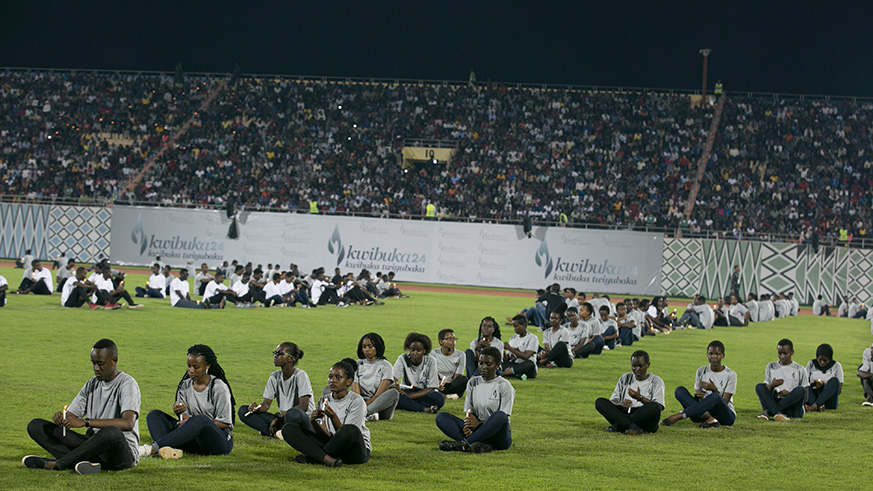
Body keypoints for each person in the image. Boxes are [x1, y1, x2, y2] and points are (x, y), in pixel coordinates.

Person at [23, 339, 141, 475]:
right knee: (36, 426)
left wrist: (85, 422)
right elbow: (72, 416)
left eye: (100, 364)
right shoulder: (92, 384)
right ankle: (85, 463)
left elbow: (128, 423)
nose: (96, 368)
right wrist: (63, 418)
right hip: (93, 446)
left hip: (120, 452)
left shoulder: (127, 384)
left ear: (114, 360)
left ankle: (58, 464)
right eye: (93, 363)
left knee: (111, 432)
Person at [141, 344, 235, 459]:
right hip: (193, 439)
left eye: (196, 367)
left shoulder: (219, 387)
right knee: (154, 415)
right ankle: (167, 450)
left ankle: (152, 449)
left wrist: (193, 422)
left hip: (217, 441)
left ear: (207, 366)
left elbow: (225, 422)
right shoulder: (184, 385)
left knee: (201, 420)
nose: (191, 371)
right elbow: (184, 419)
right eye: (188, 366)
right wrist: (180, 413)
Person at [282, 358, 371, 466]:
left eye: (338, 378)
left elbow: (347, 435)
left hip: (354, 450)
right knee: (289, 428)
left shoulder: (356, 401)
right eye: (330, 377)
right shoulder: (324, 400)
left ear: (349, 381)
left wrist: (333, 417)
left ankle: (314, 456)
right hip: (332, 444)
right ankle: (326, 459)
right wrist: (313, 422)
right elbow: (324, 436)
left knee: (350, 429)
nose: (332, 381)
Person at [436, 347, 515, 453]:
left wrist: (478, 424)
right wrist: (468, 426)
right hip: (476, 429)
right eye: (481, 363)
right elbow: (470, 411)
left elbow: (503, 418)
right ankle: (479, 444)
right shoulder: (473, 382)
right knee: (441, 417)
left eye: (488, 364)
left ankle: (465, 444)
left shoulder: (504, 385)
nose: (483, 367)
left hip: (498, 434)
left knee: (500, 415)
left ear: (497, 366)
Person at [238, 343, 314, 437]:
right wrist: (256, 408)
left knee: (294, 415)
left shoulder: (300, 375)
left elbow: (303, 406)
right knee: (243, 411)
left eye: (280, 354)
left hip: (300, 419)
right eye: (275, 353)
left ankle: (275, 432)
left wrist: (280, 417)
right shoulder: (274, 376)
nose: (275, 356)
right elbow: (266, 404)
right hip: (283, 418)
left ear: (290, 359)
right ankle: (279, 433)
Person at [661, 341, 737, 428]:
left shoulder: (730, 374)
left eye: (717, 354)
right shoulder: (701, 371)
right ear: (707, 354)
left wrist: (714, 389)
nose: (713, 357)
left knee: (715, 396)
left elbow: (724, 402)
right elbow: (697, 397)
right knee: (679, 390)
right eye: (710, 354)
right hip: (702, 412)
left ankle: (679, 415)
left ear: (723, 356)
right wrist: (697, 396)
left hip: (725, 416)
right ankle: (710, 418)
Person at [594, 350, 665, 435]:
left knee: (653, 406)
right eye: (634, 366)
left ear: (648, 365)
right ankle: (632, 426)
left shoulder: (656, 381)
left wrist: (640, 398)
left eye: (640, 366)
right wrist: (621, 404)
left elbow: (659, 407)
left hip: (645, 417)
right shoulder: (625, 378)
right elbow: (613, 400)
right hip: (626, 412)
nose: (637, 369)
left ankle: (620, 425)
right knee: (600, 402)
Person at [755, 338, 808, 421]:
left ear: (792, 352)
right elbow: (766, 393)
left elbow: (805, 397)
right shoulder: (771, 366)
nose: (782, 356)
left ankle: (769, 412)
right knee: (759, 387)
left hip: (792, 407)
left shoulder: (800, 369)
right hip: (775, 400)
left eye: (785, 353)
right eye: (779, 353)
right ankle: (778, 413)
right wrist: (772, 385)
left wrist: (790, 395)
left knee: (800, 390)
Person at [351, 333, 400, 421]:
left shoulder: (386, 366)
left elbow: (378, 395)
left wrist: (362, 408)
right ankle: (366, 416)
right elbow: (356, 395)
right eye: (364, 347)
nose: (366, 350)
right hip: (360, 402)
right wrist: (359, 404)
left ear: (377, 347)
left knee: (394, 393)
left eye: (370, 346)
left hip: (379, 405)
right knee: (329, 389)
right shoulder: (357, 365)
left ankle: (361, 414)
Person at [393, 332, 444, 413]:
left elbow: (431, 387)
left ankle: (408, 404)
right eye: (412, 350)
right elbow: (393, 378)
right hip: (406, 391)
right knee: (394, 395)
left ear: (424, 350)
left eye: (419, 350)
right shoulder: (402, 358)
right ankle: (424, 409)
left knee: (439, 398)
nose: (415, 353)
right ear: (409, 349)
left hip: (423, 392)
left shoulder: (431, 360)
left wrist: (409, 397)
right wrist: (396, 385)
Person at [804, 344, 843, 412]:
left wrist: (825, 385)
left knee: (834, 381)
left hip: (828, 398)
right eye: (820, 360)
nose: (822, 363)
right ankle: (819, 406)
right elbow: (804, 382)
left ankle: (815, 406)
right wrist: (813, 384)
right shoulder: (811, 364)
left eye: (825, 360)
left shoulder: (837, 366)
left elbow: (838, 389)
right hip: (813, 395)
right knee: (804, 386)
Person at [431, 329, 468, 399]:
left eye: (454, 339)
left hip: (451, 383)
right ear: (441, 341)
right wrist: (438, 383)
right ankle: (449, 395)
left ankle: (438, 393)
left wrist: (448, 382)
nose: (453, 341)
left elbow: (458, 375)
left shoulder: (461, 355)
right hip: (437, 383)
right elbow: (431, 373)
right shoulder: (433, 354)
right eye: (449, 339)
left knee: (464, 379)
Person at [501, 315, 538, 380]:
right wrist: (505, 355)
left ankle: (503, 374)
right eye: (514, 327)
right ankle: (516, 374)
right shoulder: (513, 338)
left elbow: (526, 356)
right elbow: (509, 357)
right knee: (500, 361)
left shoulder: (532, 338)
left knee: (530, 364)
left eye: (516, 326)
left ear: (523, 325)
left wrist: (510, 348)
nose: (514, 329)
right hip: (515, 364)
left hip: (525, 366)